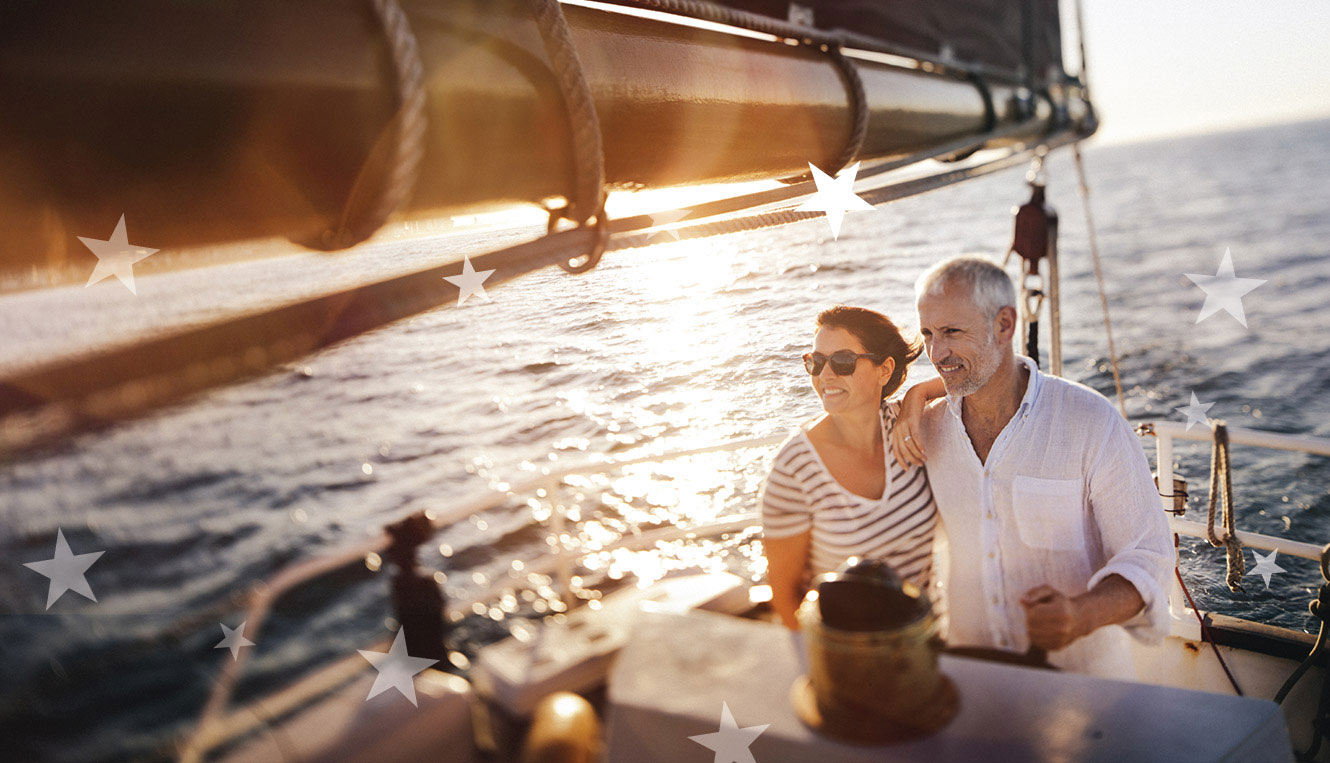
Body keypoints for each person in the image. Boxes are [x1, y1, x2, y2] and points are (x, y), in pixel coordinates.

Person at [895, 256, 1174, 678]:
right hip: (973, 676)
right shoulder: (925, 429)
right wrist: (914, 396)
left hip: (1086, 684)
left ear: (1005, 325)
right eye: (928, 334)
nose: (937, 353)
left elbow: (1148, 556)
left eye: (952, 332)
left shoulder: (1091, 421)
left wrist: (1082, 614)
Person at [760, 305, 945, 630]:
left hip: (924, 640)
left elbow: (981, 380)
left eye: (842, 361)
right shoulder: (794, 468)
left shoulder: (909, 426)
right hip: (848, 651)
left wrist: (920, 393)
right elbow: (785, 595)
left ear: (884, 370)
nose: (825, 375)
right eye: (815, 362)